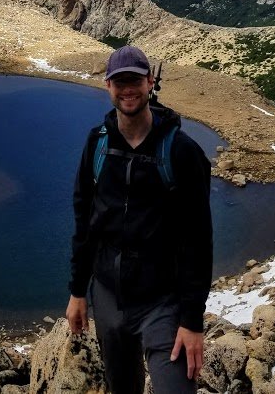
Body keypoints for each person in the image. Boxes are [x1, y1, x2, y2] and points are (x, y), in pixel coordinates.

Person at [66, 45, 212, 393]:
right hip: (108, 297)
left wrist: (192, 320)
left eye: (134, 80)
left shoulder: (181, 151)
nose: (127, 88)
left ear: (150, 82)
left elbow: (198, 239)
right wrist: (77, 291)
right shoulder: (97, 143)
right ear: (108, 86)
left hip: (163, 300)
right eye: (119, 81)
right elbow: (85, 220)